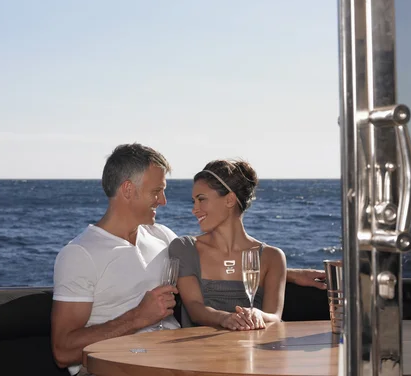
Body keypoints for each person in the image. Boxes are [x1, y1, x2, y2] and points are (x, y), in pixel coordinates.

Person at [51, 143, 326, 375]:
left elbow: (212, 255)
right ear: (128, 190)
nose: (164, 201)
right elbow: (63, 352)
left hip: (176, 362)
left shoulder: (161, 237)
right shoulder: (80, 254)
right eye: (156, 191)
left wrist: (287, 272)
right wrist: (137, 317)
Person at [169, 159, 285, 331]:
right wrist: (225, 318)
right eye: (194, 201)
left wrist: (259, 315)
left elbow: (275, 317)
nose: (195, 209)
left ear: (230, 200)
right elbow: (194, 308)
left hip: (253, 355)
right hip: (199, 354)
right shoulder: (185, 248)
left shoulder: (272, 257)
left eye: (201, 199)